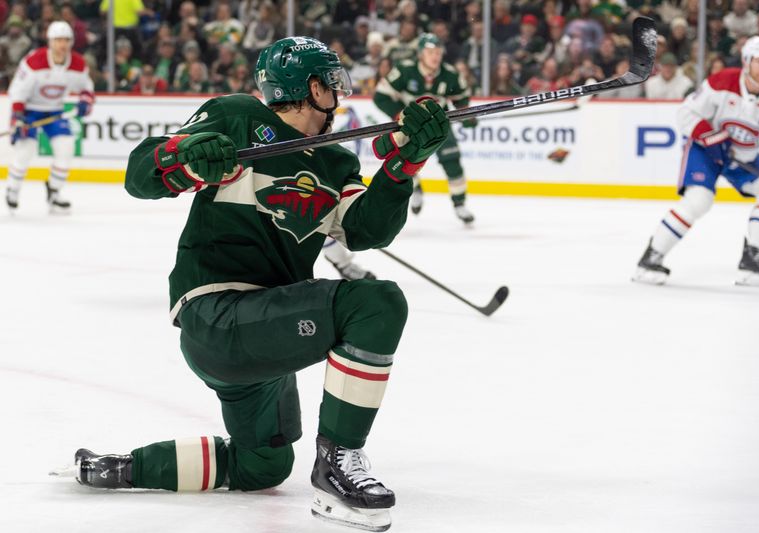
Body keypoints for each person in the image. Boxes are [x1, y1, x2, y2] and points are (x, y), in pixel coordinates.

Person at [73, 36, 449, 532]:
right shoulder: (236, 118)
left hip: (265, 330)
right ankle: (339, 462)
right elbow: (140, 175)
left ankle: (122, 467)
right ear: (308, 87)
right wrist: (184, 157)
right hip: (217, 315)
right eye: (331, 82)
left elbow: (367, 230)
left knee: (262, 466)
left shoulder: (335, 163)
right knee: (377, 304)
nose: (339, 92)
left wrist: (405, 164)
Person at [633, 36, 759, 287]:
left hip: (743, 157)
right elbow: (686, 113)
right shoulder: (722, 81)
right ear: (747, 61)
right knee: (699, 200)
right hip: (706, 151)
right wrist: (710, 136)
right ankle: (649, 259)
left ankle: (752, 261)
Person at [375, 33, 477, 224]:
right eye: (431, 52)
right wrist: (398, 114)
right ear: (421, 53)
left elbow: (461, 98)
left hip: (439, 126)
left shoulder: (451, 74)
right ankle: (415, 189)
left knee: (452, 161)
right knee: (404, 162)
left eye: (438, 52)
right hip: (410, 127)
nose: (435, 56)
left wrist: (466, 115)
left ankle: (460, 204)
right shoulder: (405, 70)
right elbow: (380, 96)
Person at [5, 21, 94, 212]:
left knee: (66, 149)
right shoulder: (33, 61)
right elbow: (17, 92)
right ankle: (13, 189)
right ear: (50, 41)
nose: (62, 44)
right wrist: (17, 118)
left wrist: (85, 101)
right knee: (25, 151)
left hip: (55, 111)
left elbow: (86, 88)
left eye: (66, 40)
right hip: (28, 111)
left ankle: (54, 192)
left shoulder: (78, 64)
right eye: (58, 40)